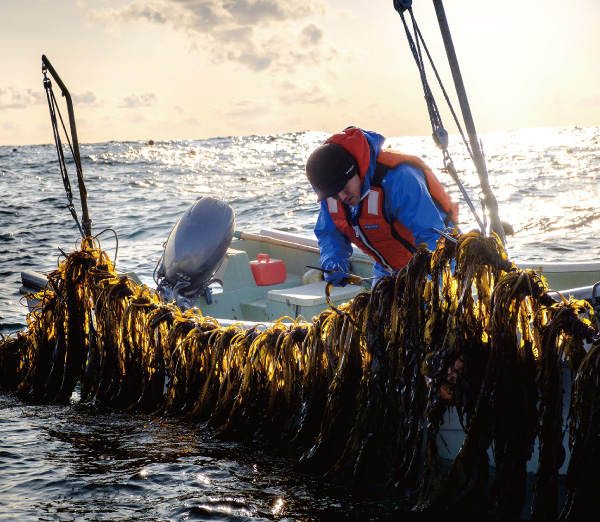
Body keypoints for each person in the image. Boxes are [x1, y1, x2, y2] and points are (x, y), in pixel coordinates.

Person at [305, 126, 458, 286]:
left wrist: (422, 278)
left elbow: (433, 235)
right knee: (377, 309)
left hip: (438, 259)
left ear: (355, 170)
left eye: (344, 187)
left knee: (432, 308)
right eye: (334, 193)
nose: (342, 197)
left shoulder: (399, 178)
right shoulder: (330, 191)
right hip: (387, 266)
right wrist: (333, 261)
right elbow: (331, 233)